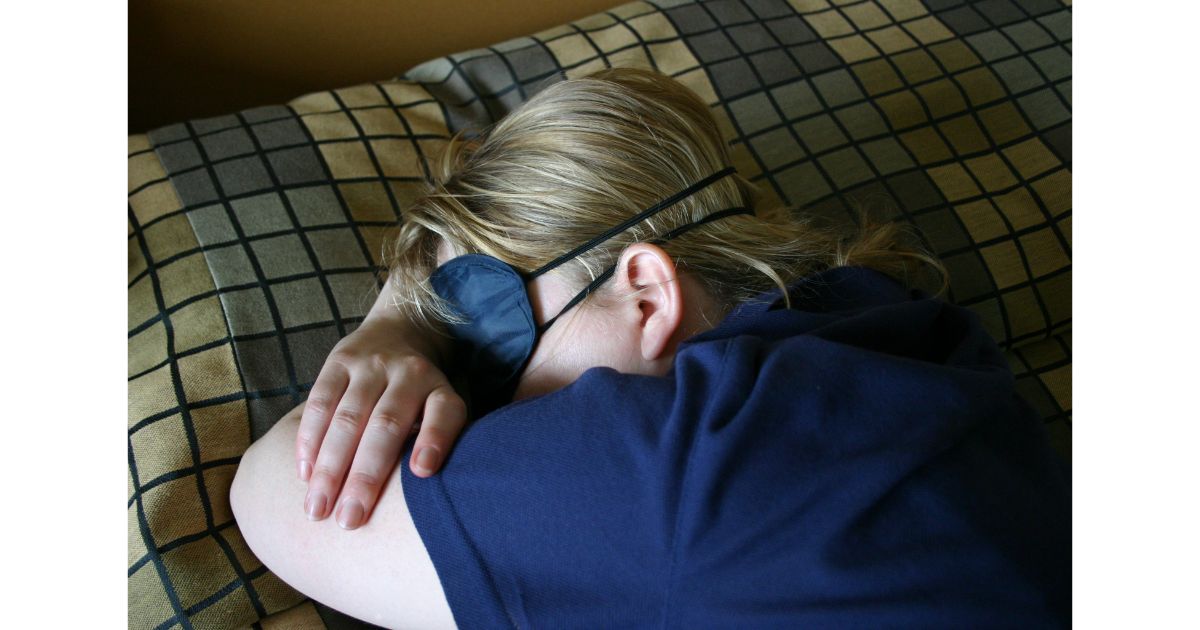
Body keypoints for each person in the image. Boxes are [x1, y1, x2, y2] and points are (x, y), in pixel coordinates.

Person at [230, 68, 1070, 628]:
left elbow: (276, 498)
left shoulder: (659, 458)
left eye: (494, 337)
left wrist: (393, 327)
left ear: (646, 292)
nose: (487, 394)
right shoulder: (913, 330)